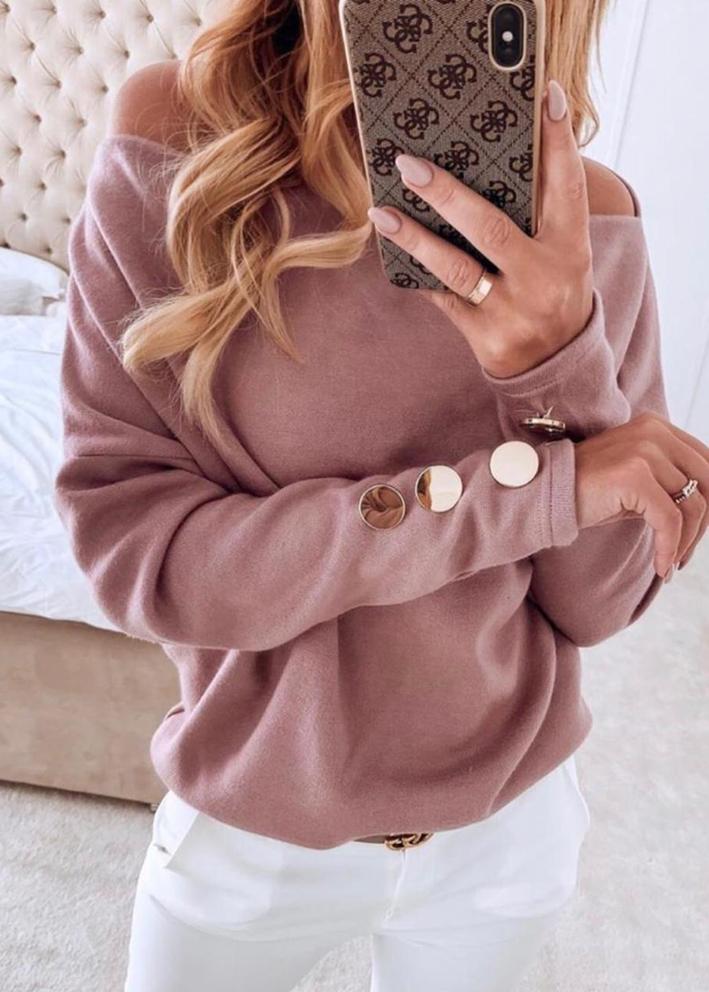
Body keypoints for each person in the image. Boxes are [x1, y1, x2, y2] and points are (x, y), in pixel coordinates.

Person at [53, 1, 708, 990]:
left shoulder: (592, 213)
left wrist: (557, 365)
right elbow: (146, 563)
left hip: (505, 836)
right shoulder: (178, 144)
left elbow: (596, 603)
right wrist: (527, 490)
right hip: (251, 832)